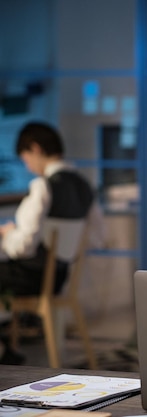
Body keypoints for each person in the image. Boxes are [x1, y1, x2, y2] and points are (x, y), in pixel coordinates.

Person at [0, 121, 105, 365]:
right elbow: (97, 236)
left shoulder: (42, 186)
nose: (27, 166)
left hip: (33, 277)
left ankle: (3, 350)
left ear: (35, 149)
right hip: (59, 276)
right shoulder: (83, 186)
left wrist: (7, 235)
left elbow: (23, 247)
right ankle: (6, 349)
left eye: (25, 158)